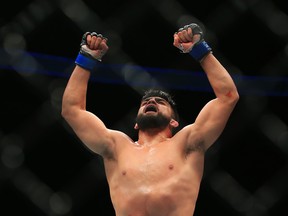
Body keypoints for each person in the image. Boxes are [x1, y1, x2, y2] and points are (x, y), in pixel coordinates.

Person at [61, 23, 239, 216]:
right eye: (146, 101)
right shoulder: (116, 146)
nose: (151, 100)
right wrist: (86, 58)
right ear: (136, 122)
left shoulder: (187, 142)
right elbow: (72, 110)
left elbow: (227, 97)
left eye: (161, 101)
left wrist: (201, 51)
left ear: (173, 122)